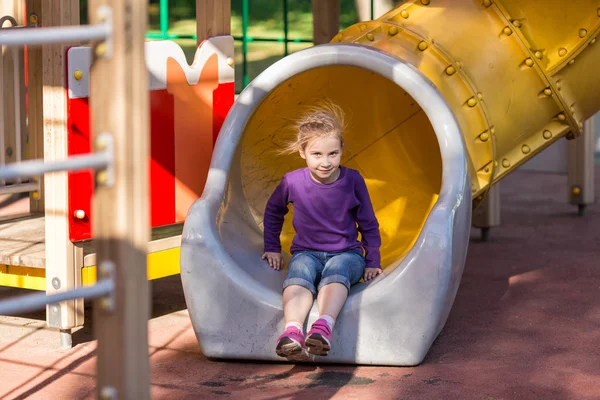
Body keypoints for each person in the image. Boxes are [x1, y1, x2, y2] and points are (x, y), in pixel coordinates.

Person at [261, 100, 382, 361]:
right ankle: (292, 331)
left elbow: (368, 223)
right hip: (307, 252)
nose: (326, 162)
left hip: (347, 254)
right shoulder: (292, 181)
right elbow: (273, 212)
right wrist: (271, 246)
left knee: (337, 271)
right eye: (317, 154)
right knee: (299, 271)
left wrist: (372, 260)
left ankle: (323, 327)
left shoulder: (353, 180)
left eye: (333, 154)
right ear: (302, 152)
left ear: (341, 151)